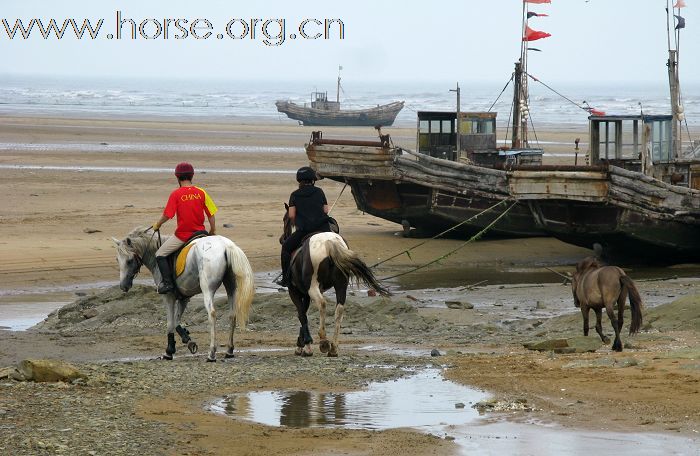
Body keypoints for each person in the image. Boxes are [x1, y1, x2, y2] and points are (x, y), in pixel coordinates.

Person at [152, 162, 218, 294]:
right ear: (192, 176)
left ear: (177, 177)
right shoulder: (201, 192)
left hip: (184, 235)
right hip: (201, 233)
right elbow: (211, 213)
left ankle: (168, 284)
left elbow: (167, 215)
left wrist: (157, 224)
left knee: (160, 254)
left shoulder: (176, 194)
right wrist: (212, 230)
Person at [277, 166, 331, 287]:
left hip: (304, 231)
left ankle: (285, 279)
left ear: (299, 181)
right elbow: (326, 210)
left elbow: (291, 215)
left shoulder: (295, 195)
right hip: (323, 228)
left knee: (285, 249)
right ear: (313, 180)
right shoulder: (319, 191)